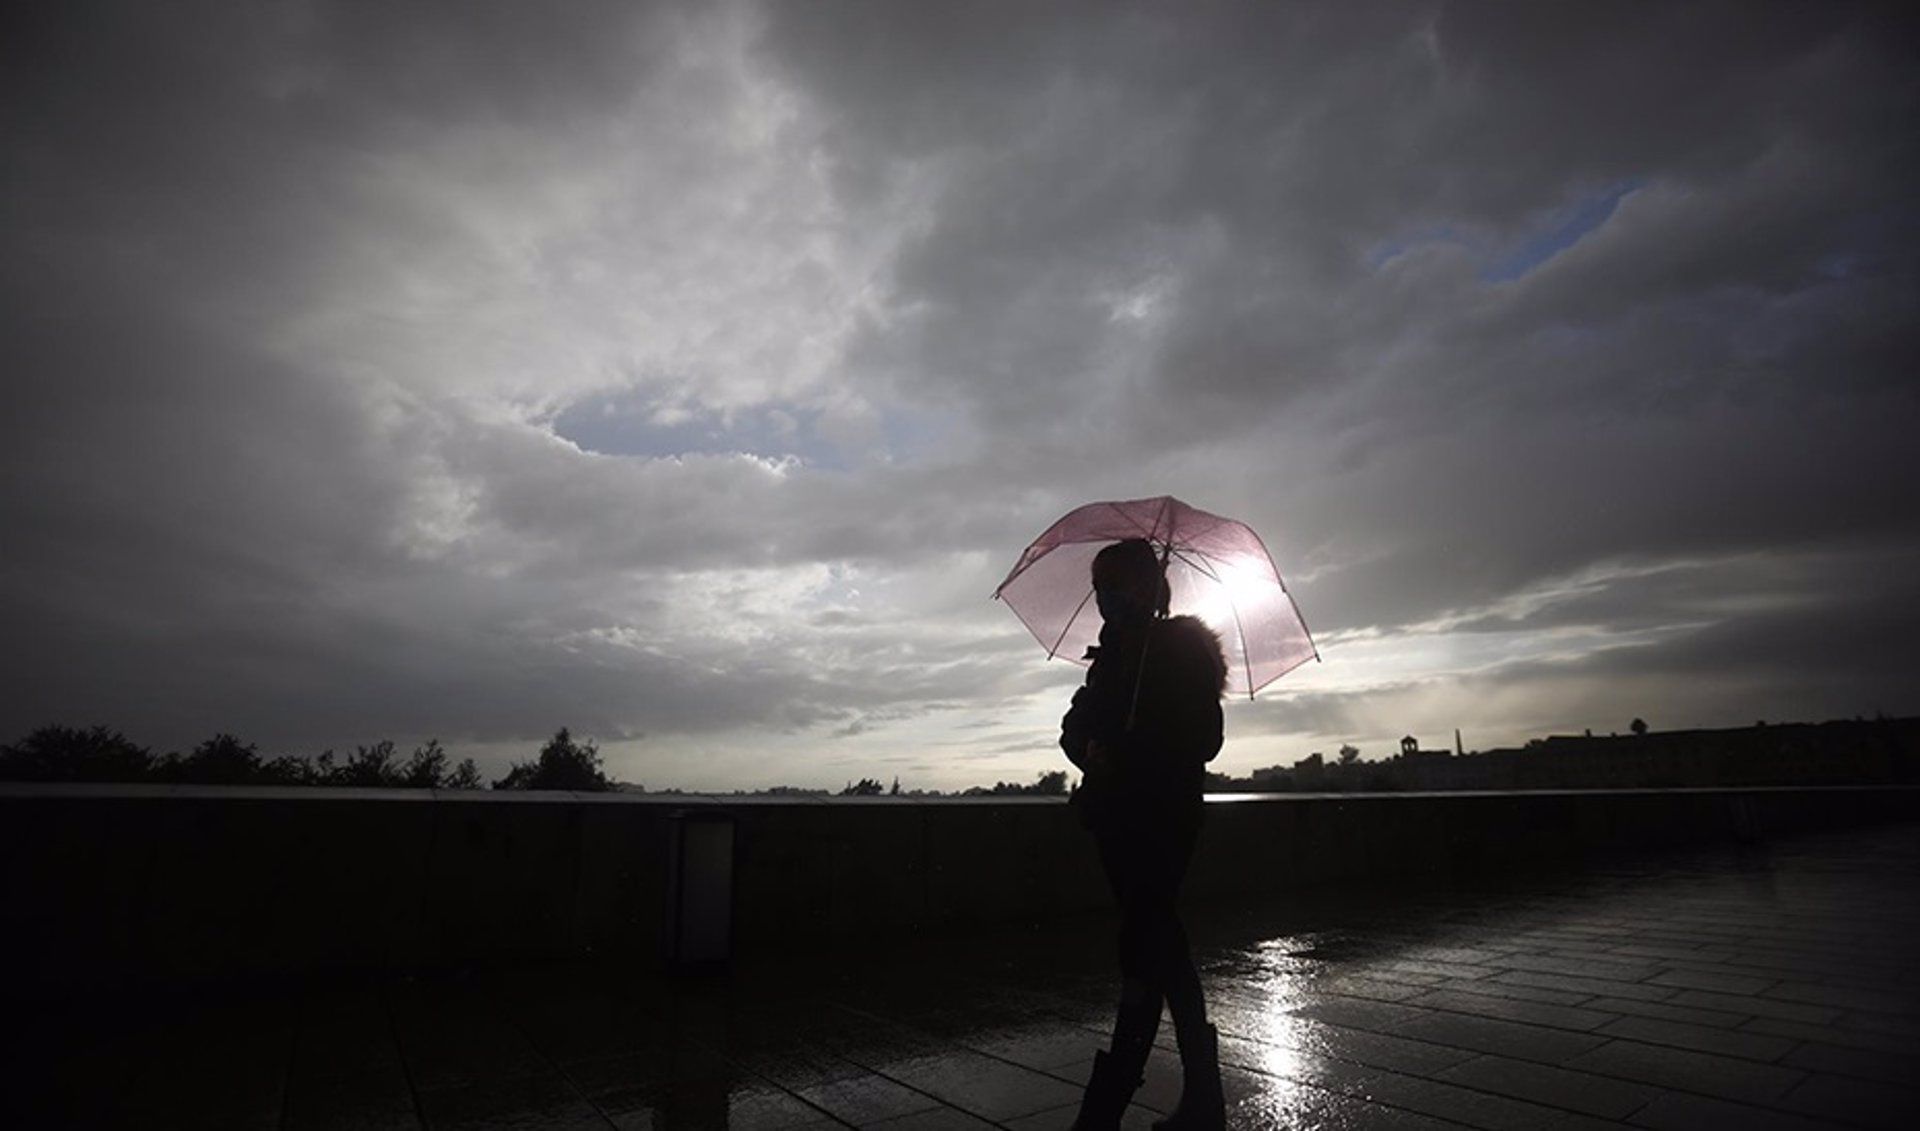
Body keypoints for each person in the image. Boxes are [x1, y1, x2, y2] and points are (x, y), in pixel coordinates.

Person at [1061, 538, 1228, 1130]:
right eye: (1097, 584)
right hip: (1114, 818)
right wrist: (1089, 748)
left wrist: (1126, 750)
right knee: (1164, 949)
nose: (1103, 596)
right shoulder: (1110, 656)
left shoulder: (1179, 649)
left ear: (1144, 587)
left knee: (1142, 946)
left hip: (1160, 820)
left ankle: (1103, 1111)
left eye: (1114, 582)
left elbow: (1203, 738)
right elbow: (1074, 725)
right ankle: (1205, 1099)